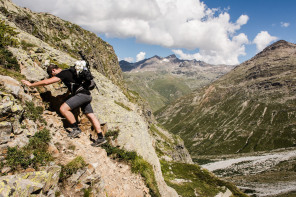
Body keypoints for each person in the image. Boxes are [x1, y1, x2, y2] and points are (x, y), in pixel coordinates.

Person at [21, 63, 106, 147]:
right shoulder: (70, 71)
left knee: (63, 109)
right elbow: (73, 84)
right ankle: (101, 138)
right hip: (87, 95)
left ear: (53, 70)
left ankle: (76, 129)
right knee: (91, 116)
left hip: (81, 95)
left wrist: (31, 84)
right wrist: (66, 94)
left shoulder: (62, 73)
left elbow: (47, 82)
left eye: (52, 75)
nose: (52, 76)